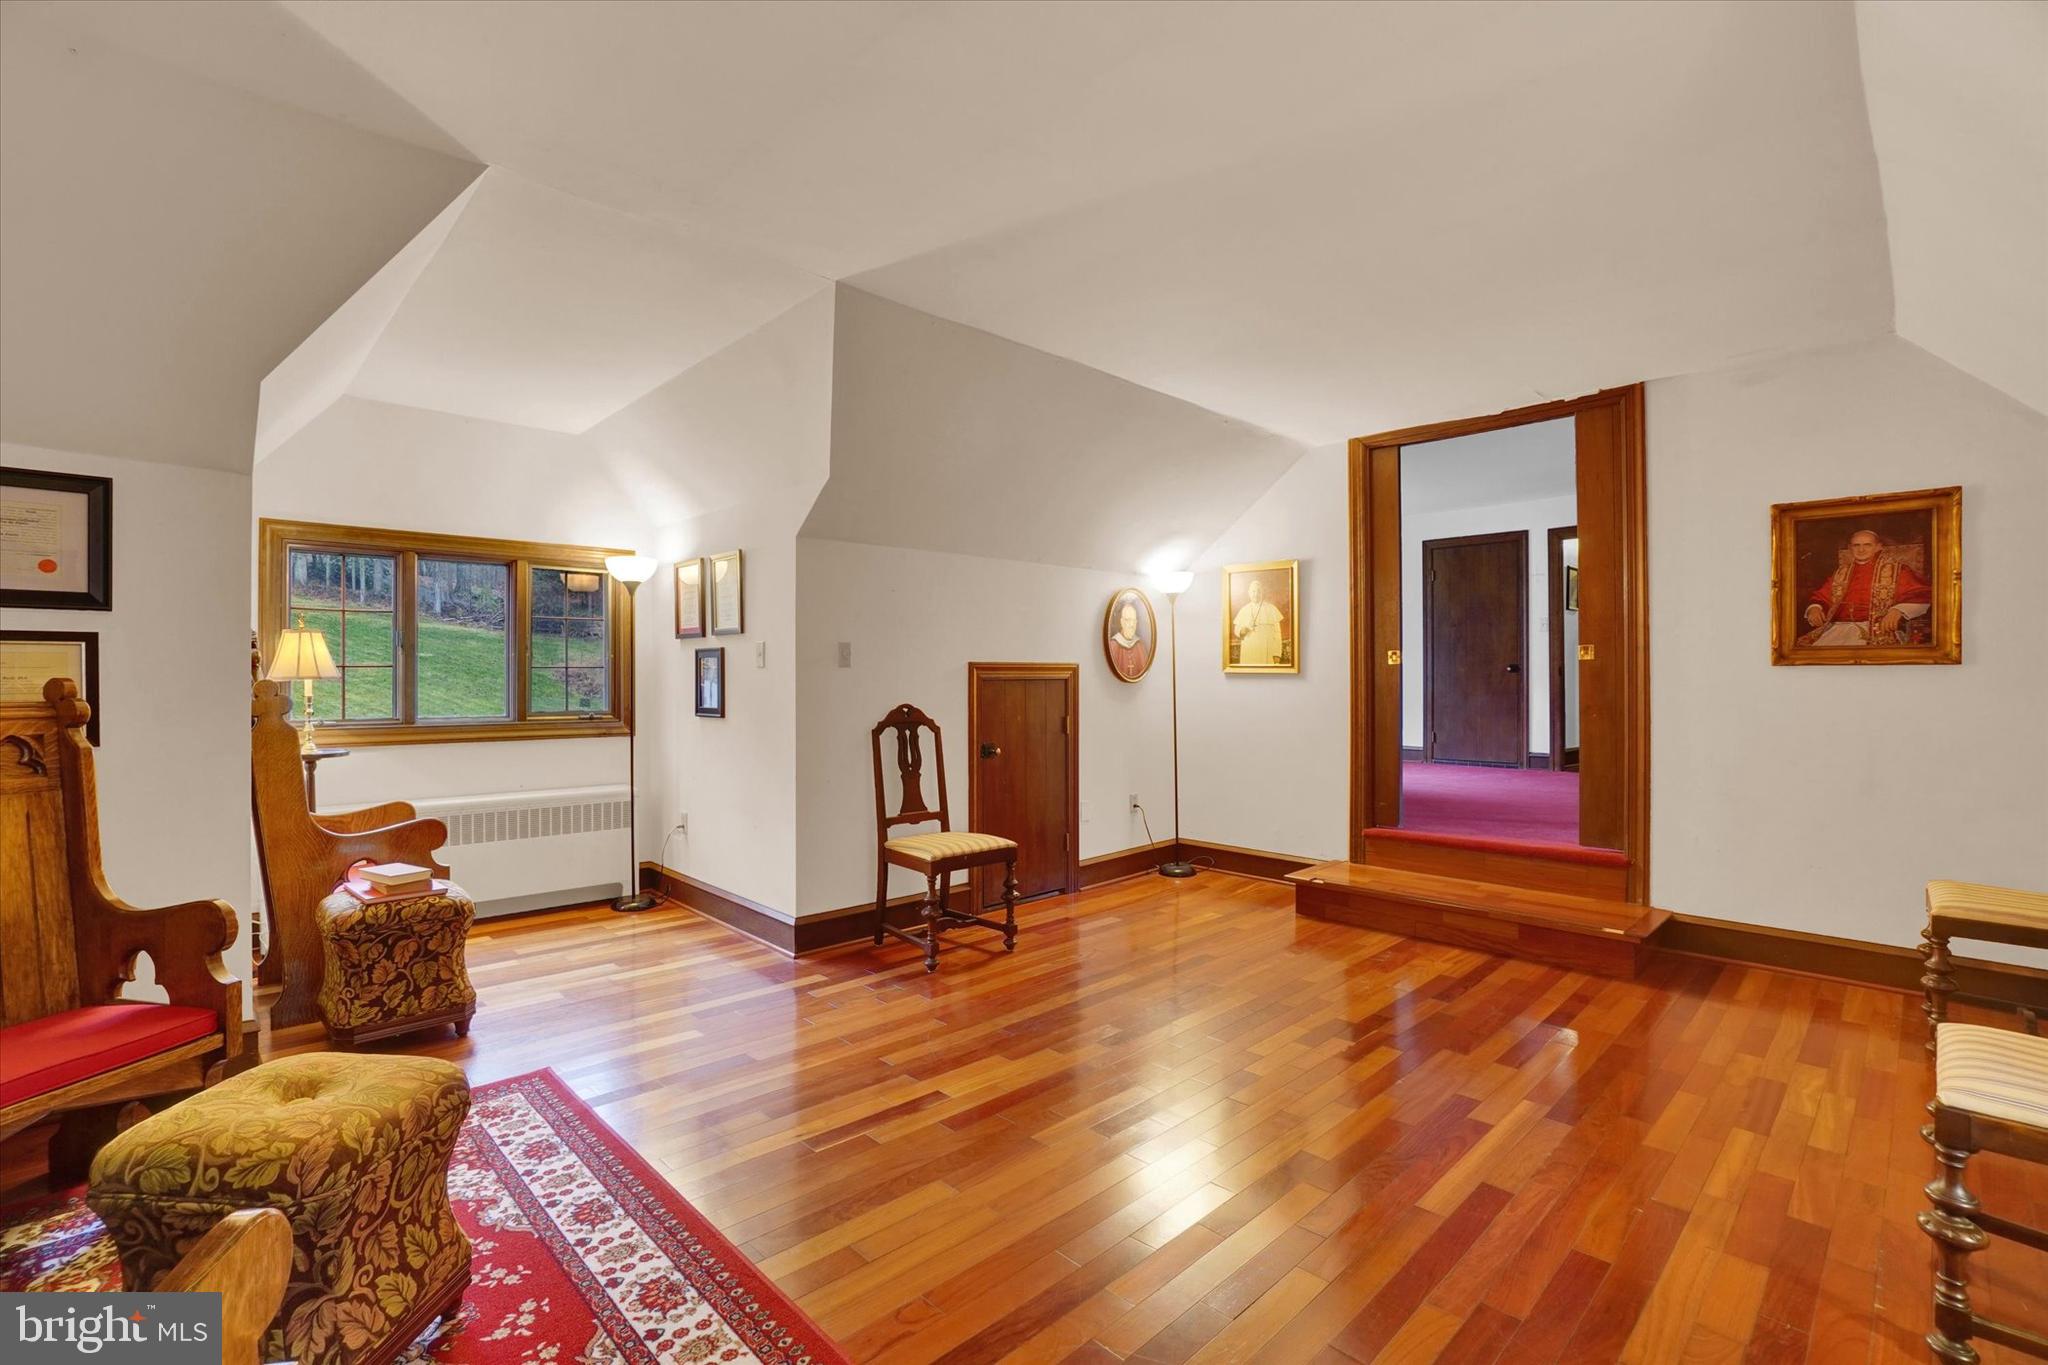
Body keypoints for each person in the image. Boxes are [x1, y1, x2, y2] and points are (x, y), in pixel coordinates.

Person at [1801, 528, 1931, 646]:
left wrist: (1898, 610)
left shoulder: (1897, 570)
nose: (1861, 550)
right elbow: (1821, 596)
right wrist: (1815, 608)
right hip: (1838, 629)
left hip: (1876, 629)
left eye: (1867, 545)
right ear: (1850, 548)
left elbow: (1920, 594)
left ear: (1878, 547)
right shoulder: (1841, 573)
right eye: (1856, 545)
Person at [1232, 577, 1286, 665]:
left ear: (1262, 593)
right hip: (1249, 651)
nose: (1256, 594)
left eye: (1258, 591)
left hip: (1267, 651)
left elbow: (1277, 633)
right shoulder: (1243, 610)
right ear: (1249, 593)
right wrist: (1242, 630)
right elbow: (1236, 630)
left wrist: (1277, 654)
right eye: (1253, 591)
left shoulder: (1271, 609)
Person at [1107, 597, 1150, 680]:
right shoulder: (1113, 645)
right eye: (1128, 620)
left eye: (1134, 621)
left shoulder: (1139, 645)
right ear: (1122, 622)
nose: (1131, 625)